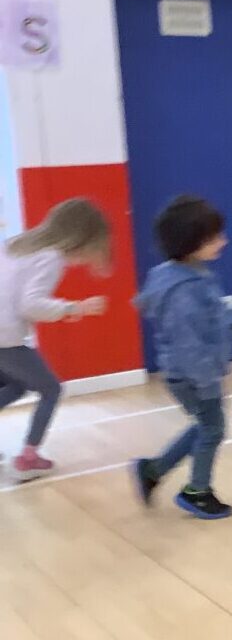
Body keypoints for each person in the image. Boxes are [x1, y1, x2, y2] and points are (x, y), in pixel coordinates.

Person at [132, 195, 232, 519]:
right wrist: (208, 380)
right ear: (191, 243)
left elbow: (220, 311)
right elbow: (189, 344)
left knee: (206, 425)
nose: (223, 241)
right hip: (193, 375)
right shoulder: (185, 290)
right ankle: (197, 492)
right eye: (215, 237)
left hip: (189, 372)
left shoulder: (190, 274)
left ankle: (153, 471)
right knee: (213, 428)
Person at [0, 198, 111, 481]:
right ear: (82, 238)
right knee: (51, 389)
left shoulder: (17, 244)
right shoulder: (51, 257)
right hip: (5, 336)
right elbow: (30, 305)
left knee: (17, 385)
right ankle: (27, 460)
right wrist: (75, 308)